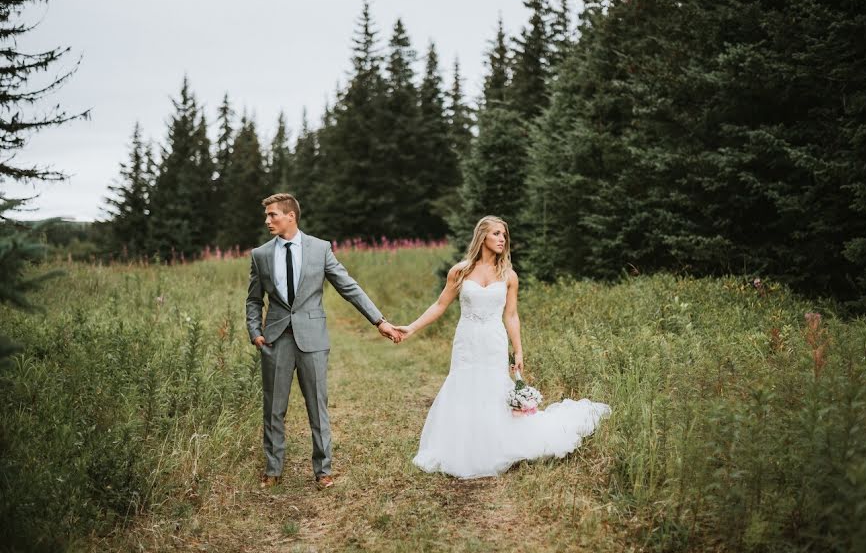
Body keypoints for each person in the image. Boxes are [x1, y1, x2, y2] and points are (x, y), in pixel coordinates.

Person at [397, 216, 611, 479]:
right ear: (482, 237)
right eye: (497, 234)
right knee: (463, 386)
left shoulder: (509, 276)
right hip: (466, 341)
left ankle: (494, 446)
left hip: (493, 341)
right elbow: (440, 305)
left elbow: (511, 315)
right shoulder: (461, 271)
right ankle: (461, 447)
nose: (502, 239)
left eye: (504, 235)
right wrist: (411, 327)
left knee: (493, 389)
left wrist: (518, 350)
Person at [245, 193, 401, 489]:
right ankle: (273, 469)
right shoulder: (260, 254)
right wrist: (255, 332)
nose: (267, 221)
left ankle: (323, 470)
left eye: (273, 215)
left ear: (291, 216)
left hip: (313, 339)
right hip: (275, 340)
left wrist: (379, 320)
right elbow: (253, 300)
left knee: (318, 405)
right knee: (274, 408)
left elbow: (348, 287)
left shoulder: (320, 249)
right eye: (266, 216)